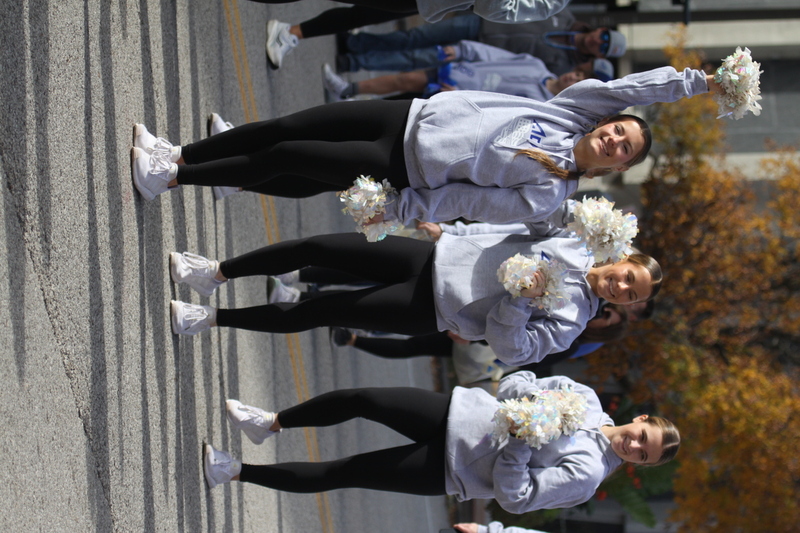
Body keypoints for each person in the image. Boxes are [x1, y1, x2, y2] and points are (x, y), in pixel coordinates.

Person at [130, 67, 720, 228]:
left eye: (624, 149)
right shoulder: (571, 111)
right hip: (409, 116)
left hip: (403, 168)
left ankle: (172, 177)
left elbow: (468, 203)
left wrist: (404, 208)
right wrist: (700, 84)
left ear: (617, 167)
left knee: (291, 159)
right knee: (289, 126)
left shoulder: (546, 192)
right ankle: (182, 151)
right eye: (620, 129)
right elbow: (633, 89)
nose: (615, 139)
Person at [166, 228, 661, 366]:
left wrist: (520, 301)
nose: (619, 286)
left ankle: (209, 319)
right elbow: (515, 228)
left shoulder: (573, 323)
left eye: (628, 293)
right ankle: (216, 272)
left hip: (430, 308)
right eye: (626, 276)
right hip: (432, 258)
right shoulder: (576, 240)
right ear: (623, 259)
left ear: (622, 303)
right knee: (321, 246)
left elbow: (512, 351)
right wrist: (454, 231)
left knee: (322, 309)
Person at [203, 371, 680, 514]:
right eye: (643, 437)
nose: (635, 447)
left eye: (644, 454)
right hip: (459, 411)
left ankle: (235, 471)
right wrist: (531, 398)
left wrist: (524, 439)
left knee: (344, 470)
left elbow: (517, 499)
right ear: (638, 419)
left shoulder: (588, 476)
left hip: (449, 466)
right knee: (364, 395)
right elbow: (517, 382)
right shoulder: (590, 400)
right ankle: (271, 423)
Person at [328, 303, 628, 383]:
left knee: (414, 346)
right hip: (481, 323)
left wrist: (477, 340)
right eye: (605, 308)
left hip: (480, 345)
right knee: (412, 319)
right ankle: (353, 318)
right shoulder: (568, 315)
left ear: (605, 332)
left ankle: (352, 339)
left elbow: (524, 357)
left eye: (607, 316)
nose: (600, 312)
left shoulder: (571, 343)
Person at [322, 40, 614, 101]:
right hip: (459, 73)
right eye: (576, 73)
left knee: (400, 105)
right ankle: (348, 90)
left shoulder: (540, 102)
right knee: (405, 78)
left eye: (576, 81)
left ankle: (343, 120)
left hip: (455, 96)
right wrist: (464, 50)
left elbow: (494, 106)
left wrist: (460, 98)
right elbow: (496, 54)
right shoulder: (536, 65)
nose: (571, 77)